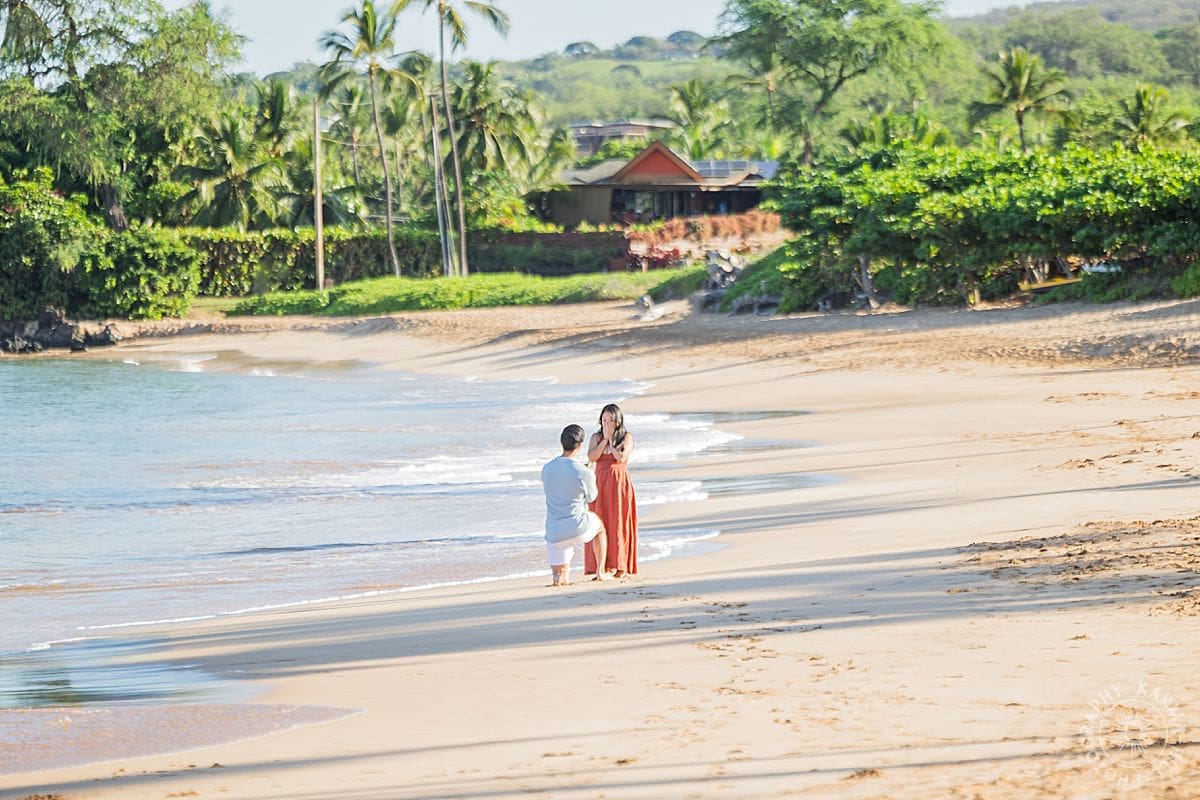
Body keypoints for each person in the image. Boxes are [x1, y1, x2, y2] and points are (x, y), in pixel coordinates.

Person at [541, 424, 607, 587]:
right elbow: (592, 498)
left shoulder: (547, 468)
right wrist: (589, 473)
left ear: (562, 442)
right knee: (600, 528)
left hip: (554, 530)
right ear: (580, 445)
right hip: (577, 526)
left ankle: (559, 577)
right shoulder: (584, 472)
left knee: (560, 576)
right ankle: (600, 572)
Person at [586, 403, 638, 578]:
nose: (607, 423)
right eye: (604, 420)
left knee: (618, 521)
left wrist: (613, 442)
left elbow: (621, 457)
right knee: (600, 521)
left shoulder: (626, 437)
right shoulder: (596, 437)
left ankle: (621, 565)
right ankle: (602, 566)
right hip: (600, 483)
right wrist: (605, 440)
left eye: (610, 420)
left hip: (618, 483)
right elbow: (592, 456)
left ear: (618, 421)